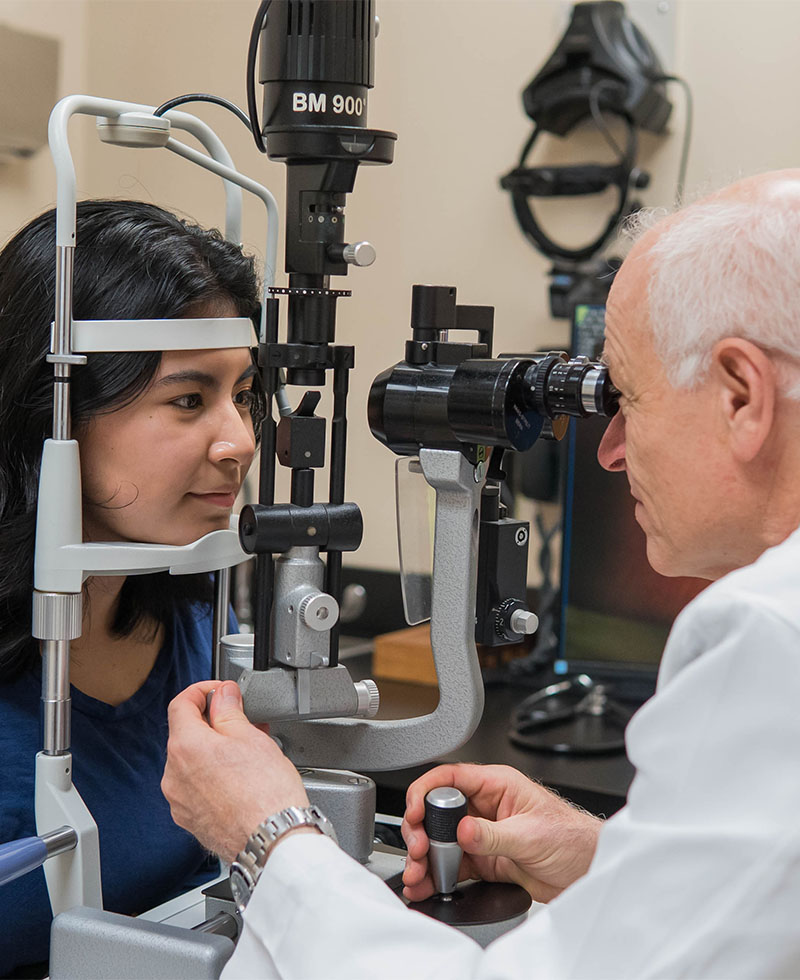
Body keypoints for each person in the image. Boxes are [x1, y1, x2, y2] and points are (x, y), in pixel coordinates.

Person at [162, 169, 800, 979]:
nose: (607, 451)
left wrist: (271, 835)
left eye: (627, 401)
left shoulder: (769, 639)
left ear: (743, 396)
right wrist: (603, 858)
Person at [0, 199, 263, 978]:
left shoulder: (200, 620)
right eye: (189, 400)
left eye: (242, 394)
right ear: (56, 416)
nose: (241, 440)